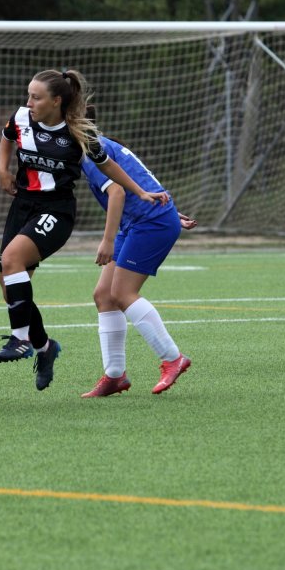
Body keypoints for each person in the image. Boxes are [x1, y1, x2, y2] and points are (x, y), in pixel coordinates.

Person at [0, 68, 170, 391]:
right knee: (9, 285)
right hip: (22, 207)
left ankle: (20, 339)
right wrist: (3, 168)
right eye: (28, 95)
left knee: (12, 260)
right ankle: (45, 348)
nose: (29, 102)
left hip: (56, 212)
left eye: (37, 97)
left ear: (56, 101)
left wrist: (140, 192)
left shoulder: (78, 134)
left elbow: (109, 168)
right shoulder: (20, 117)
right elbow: (7, 138)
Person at [78, 114, 197, 397]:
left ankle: (172, 357)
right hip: (145, 219)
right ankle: (115, 375)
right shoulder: (99, 144)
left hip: (149, 222)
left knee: (122, 293)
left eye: (36, 98)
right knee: (104, 295)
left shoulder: (87, 151)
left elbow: (117, 192)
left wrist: (107, 241)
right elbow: (142, 180)